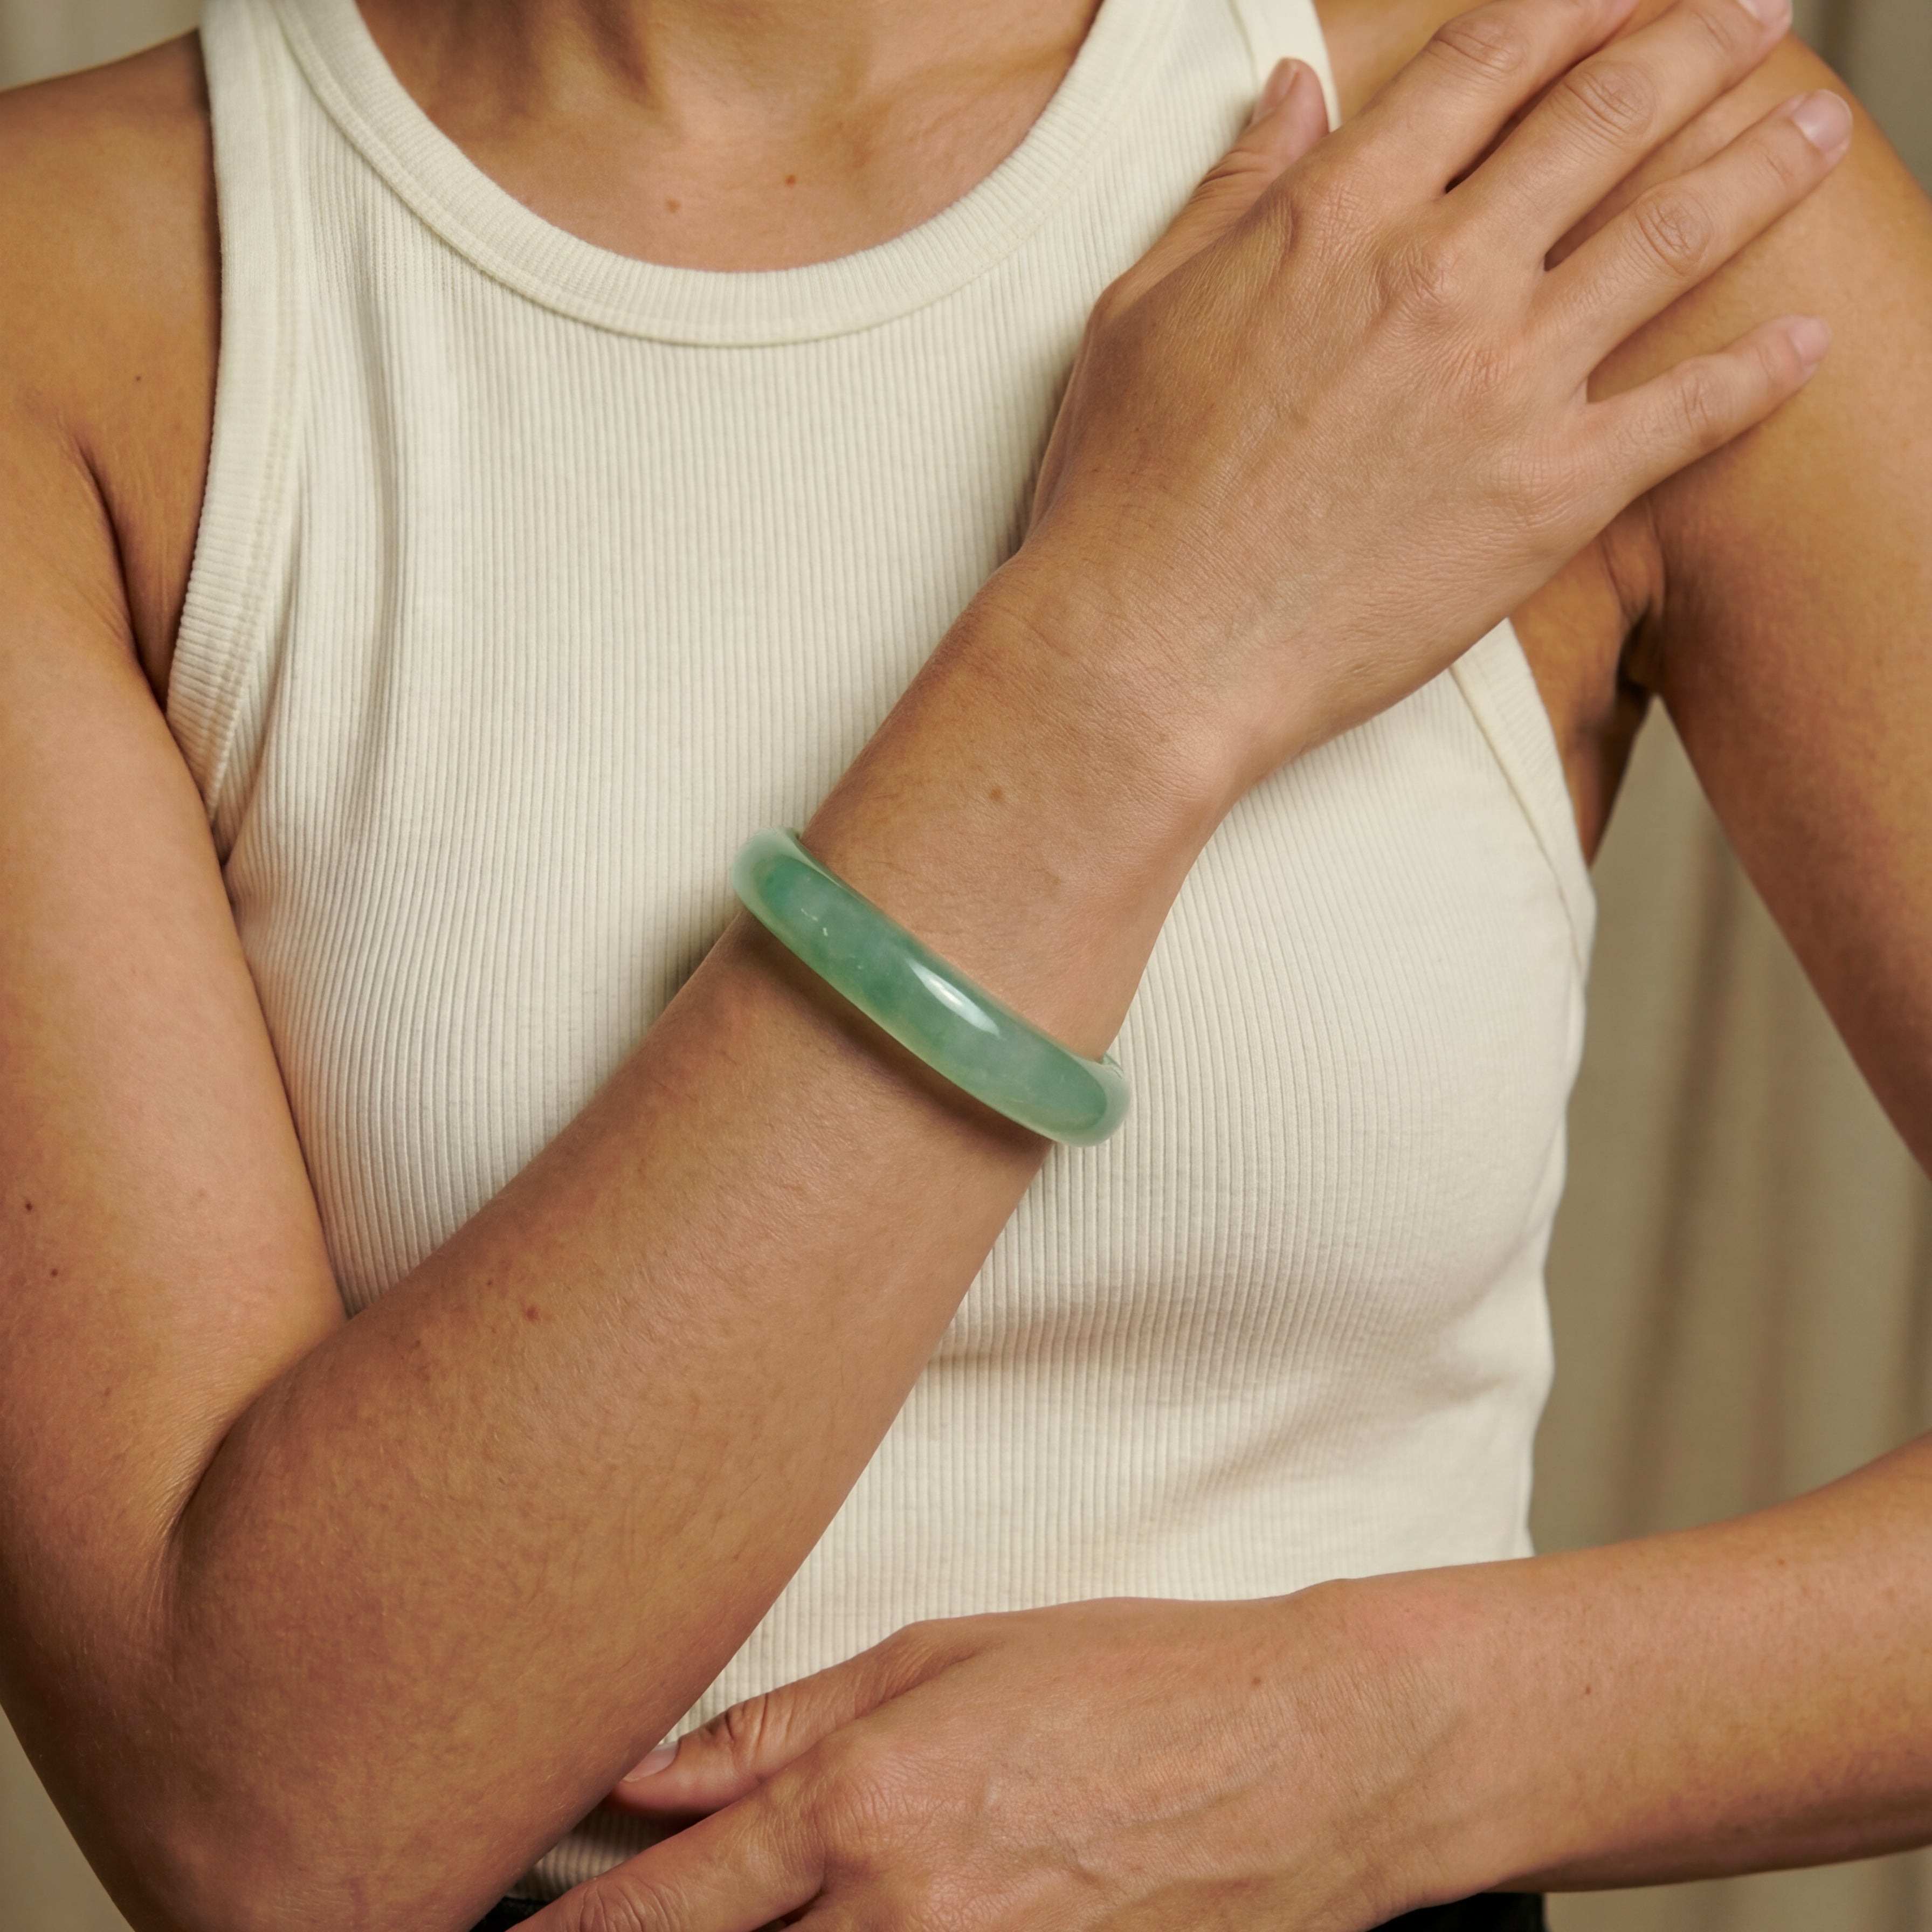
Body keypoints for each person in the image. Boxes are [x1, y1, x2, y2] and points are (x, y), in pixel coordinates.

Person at [0, 0, 1927, 1923]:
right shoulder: (70, 287)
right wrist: (1140, 651)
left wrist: (1365, 1757)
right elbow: (269, 1833)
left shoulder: (1578, 174)